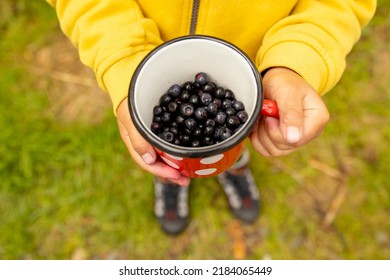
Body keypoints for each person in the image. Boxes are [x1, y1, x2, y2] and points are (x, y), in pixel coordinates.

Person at [46, 0, 376, 234]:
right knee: (166, 156)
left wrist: (297, 58)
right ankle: (171, 181)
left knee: (232, 143)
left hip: (254, 62)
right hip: (140, 52)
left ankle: (235, 168)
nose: (194, 109)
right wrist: (122, 57)